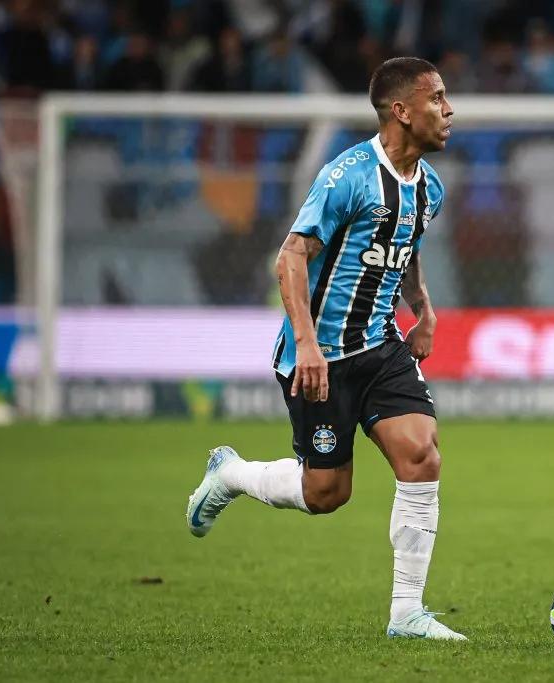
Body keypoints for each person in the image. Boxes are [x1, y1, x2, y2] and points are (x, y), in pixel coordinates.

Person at [185, 57, 464, 640]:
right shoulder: (347, 176)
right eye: (437, 98)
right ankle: (232, 474)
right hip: (323, 357)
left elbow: (403, 245)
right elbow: (289, 257)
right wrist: (308, 347)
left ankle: (406, 614)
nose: (449, 110)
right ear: (401, 111)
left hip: (382, 345)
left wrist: (426, 311)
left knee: (422, 455)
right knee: (326, 492)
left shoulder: (429, 187)